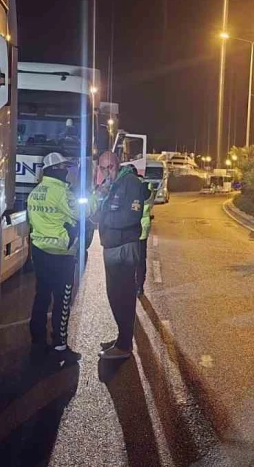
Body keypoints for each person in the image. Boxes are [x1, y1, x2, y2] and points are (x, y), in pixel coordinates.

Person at [27, 152, 81, 363]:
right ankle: (60, 345)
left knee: (41, 296)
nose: (66, 171)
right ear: (56, 170)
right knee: (62, 300)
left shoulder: (35, 192)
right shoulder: (62, 193)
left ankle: (37, 342)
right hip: (61, 254)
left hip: (39, 252)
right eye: (63, 167)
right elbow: (82, 213)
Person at [95, 152, 146, 360]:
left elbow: (132, 215)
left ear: (118, 164)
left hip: (125, 247)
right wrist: (100, 196)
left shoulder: (131, 182)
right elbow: (94, 215)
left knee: (123, 296)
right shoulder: (109, 186)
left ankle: (124, 345)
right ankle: (121, 338)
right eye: (102, 168)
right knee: (113, 295)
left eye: (110, 167)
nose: (107, 172)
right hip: (110, 245)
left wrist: (106, 220)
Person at [136, 181, 155, 298]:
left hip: (132, 228)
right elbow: (150, 202)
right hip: (144, 228)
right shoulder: (147, 186)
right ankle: (139, 286)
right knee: (141, 259)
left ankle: (133, 284)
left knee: (131, 259)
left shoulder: (132, 187)